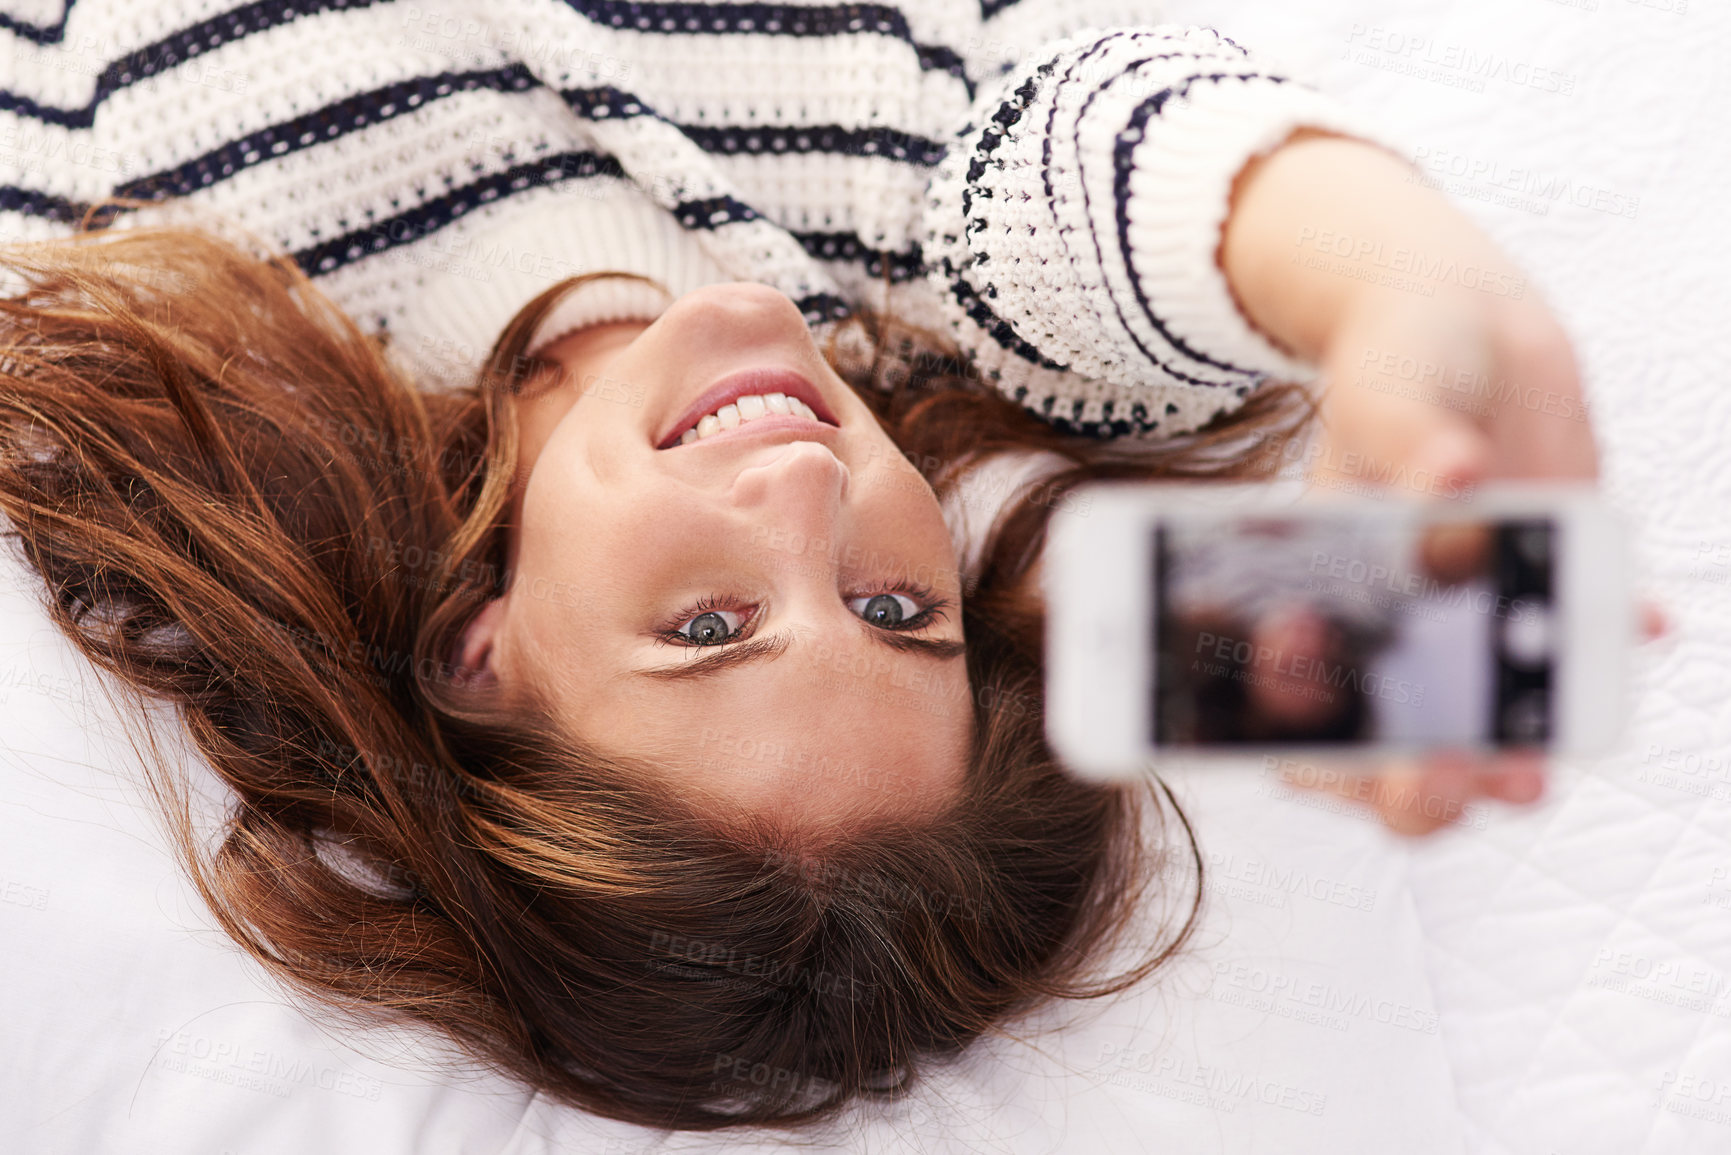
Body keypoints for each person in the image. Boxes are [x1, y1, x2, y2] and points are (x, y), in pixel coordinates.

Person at [0, 0, 1598, 1130]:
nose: (808, 497)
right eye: (900, 610)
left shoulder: (137, 283)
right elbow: (1118, 166)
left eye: (708, 624)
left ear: (482, 654)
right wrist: (1407, 288)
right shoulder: (922, 258)